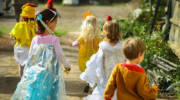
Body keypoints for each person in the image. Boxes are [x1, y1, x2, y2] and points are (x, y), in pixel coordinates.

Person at [11, 8, 71, 100]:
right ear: (48, 23)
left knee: (36, 92)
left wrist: (29, 68)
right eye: (55, 22)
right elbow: (60, 55)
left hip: (35, 72)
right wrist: (66, 65)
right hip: (50, 74)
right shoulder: (54, 39)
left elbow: (30, 55)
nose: (56, 25)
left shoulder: (36, 39)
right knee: (50, 93)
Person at [80, 21, 125, 100]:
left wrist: (91, 78)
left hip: (104, 87)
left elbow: (95, 65)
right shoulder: (124, 49)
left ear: (104, 32)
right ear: (119, 32)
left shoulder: (103, 49)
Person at [9, 3, 37, 77]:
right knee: (30, 66)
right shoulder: (35, 25)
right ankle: (29, 80)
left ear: (23, 16)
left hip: (20, 48)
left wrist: (15, 37)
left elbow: (12, 36)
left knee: (21, 66)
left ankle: (22, 80)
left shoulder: (19, 25)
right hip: (31, 48)